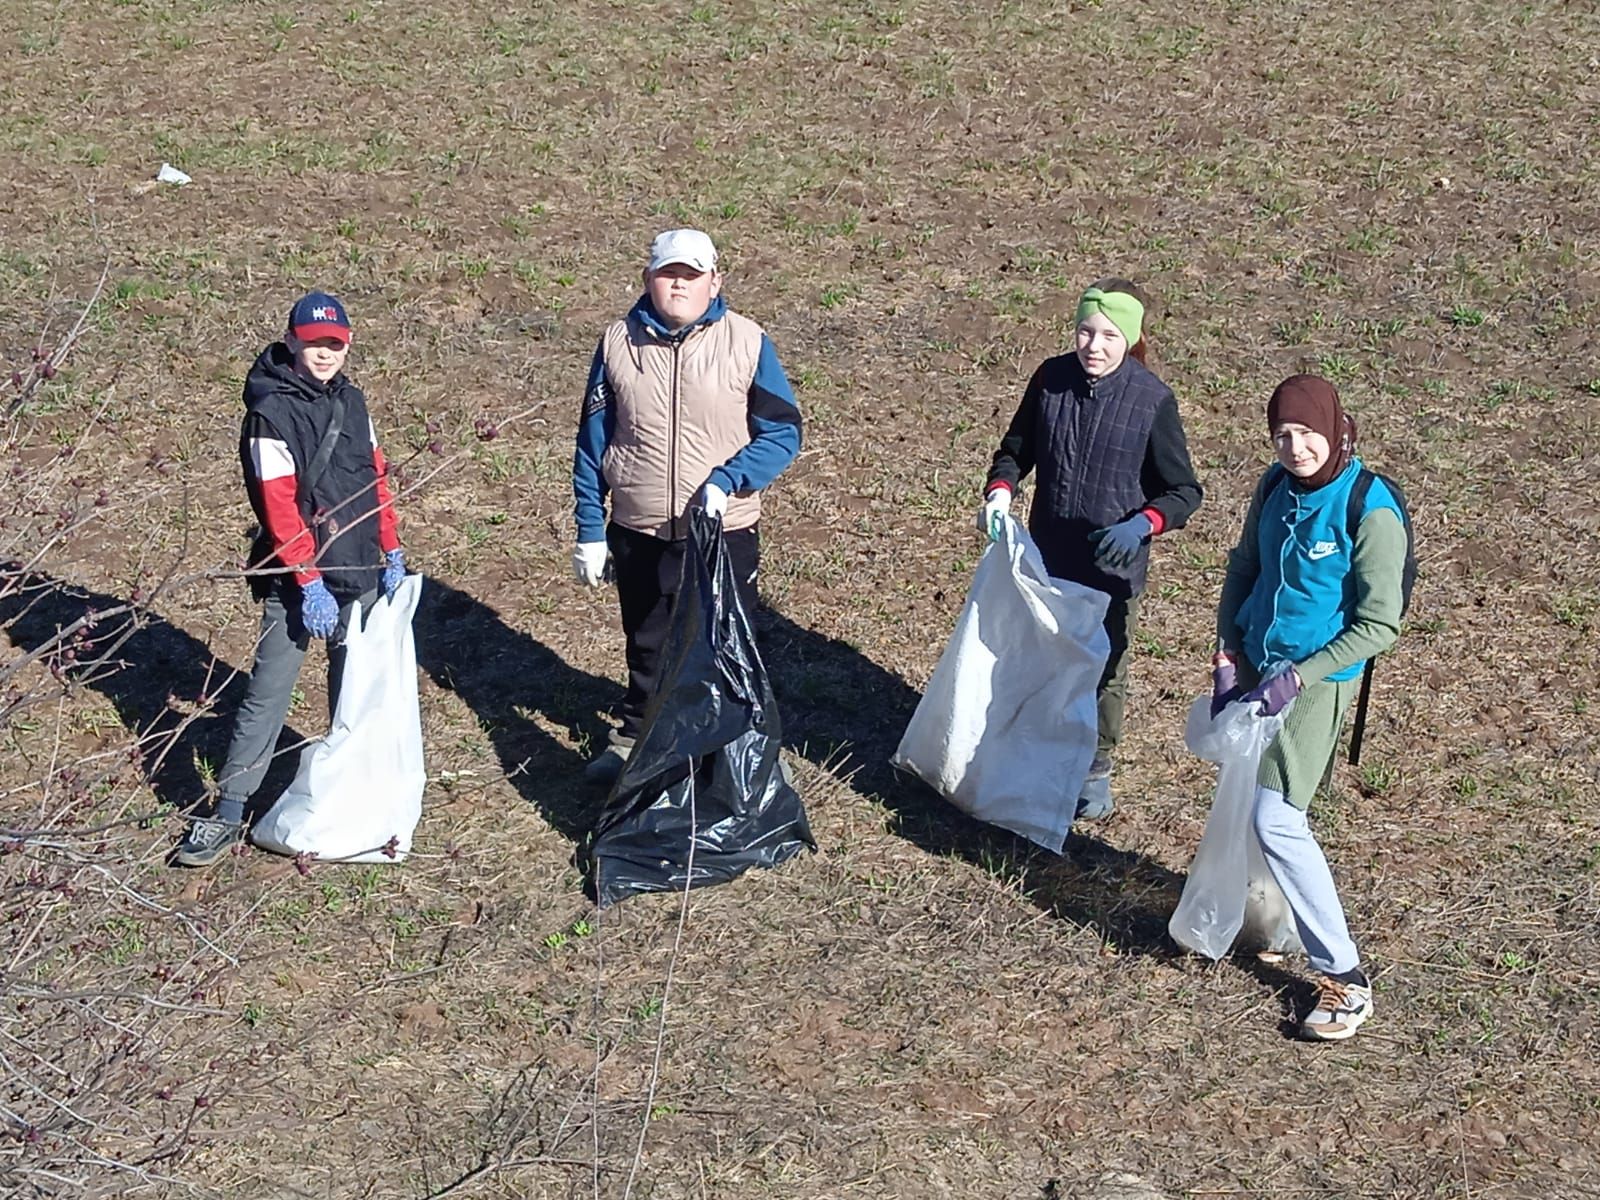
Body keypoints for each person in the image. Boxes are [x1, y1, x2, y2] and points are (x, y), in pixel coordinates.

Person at [174, 291, 407, 866]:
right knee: (268, 693)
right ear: (292, 340)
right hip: (299, 579)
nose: (324, 352)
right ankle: (229, 810)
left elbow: (374, 478)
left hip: (360, 565)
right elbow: (279, 506)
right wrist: (306, 579)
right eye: (313, 342)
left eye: (334, 343)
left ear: (346, 345)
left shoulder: (353, 402)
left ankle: (343, 789)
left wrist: (392, 547)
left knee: (353, 684)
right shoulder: (270, 412)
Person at [1211, 373, 1406, 1041]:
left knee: (1277, 817)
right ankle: (1267, 920)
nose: (1296, 447)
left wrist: (1302, 677)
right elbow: (1245, 567)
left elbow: (1381, 623)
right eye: (1282, 436)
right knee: (1258, 807)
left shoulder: (1368, 508)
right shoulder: (1273, 487)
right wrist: (1229, 648)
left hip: (1319, 680)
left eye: (1307, 433)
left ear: (1336, 426)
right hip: (1260, 668)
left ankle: (1345, 978)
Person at [572, 229, 802, 785]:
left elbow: (783, 432)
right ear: (648, 278)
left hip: (722, 530)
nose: (678, 283)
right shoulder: (616, 344)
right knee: (647, 640)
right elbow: (592, 441)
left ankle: (741, 749)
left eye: (691, 275)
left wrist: (728, 480)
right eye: (668, 273)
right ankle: (636, 738)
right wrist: (589, 527)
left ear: (714, 281)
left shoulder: (747, 342)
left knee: (727, 641)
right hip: (639, 525)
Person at [982, 279, 1202, 819]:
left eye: (1108, 335)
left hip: (1112, 569)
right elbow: (1015, 451)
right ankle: (1034, 752)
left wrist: (1142, 526)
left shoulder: (1151, 401)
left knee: (1104, 669)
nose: (1093, 345)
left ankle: (1095, 771)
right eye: (1085, 331)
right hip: (1049, 557)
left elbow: (1183, 492)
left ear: (1129, 337)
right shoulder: (1050, 381)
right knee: (1042, 660)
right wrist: (1000, 492)